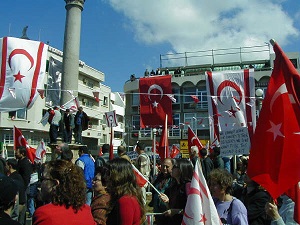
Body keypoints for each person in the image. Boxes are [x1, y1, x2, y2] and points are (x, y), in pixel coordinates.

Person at [32, 160, 96, 225]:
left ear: (55, 184)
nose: (40, 184)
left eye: (43, 179)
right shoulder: (86, 211)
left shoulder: (44, 214)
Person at [106, 158, 145, 225]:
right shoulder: (127, 197)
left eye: (109, 174)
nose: (106, 178)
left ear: (118, 177)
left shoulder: (125, 201)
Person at [160, 159, 194, 225]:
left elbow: (193, 209)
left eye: (175, 166)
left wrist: (176, 211)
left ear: (182, 169)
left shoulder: (188, 186)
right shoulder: (174, 186)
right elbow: (172, 207)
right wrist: (167, 202)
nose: (172, 168)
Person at [150, 158, 175, 225]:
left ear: (172, 167)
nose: (164, 168)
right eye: (163, 166)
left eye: (167, 167)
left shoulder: (174, 180)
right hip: (157, 212)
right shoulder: (158, 178)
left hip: (169, 212)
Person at [15, 146, 32, 224]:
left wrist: (22, 188)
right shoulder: (19, 162)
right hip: (19, 188)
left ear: (22, 153)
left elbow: (26, 178)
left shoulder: (25, 163)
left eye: (17, 152)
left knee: (22, 209)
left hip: (23, 189)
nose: (15, 153)